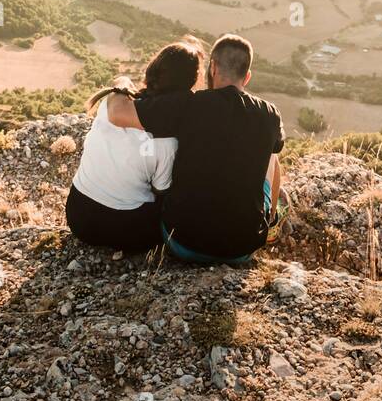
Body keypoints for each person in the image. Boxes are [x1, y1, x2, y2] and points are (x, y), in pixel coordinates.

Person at [106, 34, 284, 264]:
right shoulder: (270, 114)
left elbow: (117, 113)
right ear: (247, 76)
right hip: (241, 248)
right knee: (272, 156)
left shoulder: (188, 105)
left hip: (182, 241)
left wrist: (120, 85)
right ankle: (271, 224)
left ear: (213, 68)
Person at [65, 39, 203, 252]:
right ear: (188, 87)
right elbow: (161, 191)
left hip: (78, 216)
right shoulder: (167, 142)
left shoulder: (112, 101)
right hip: (126, 230)